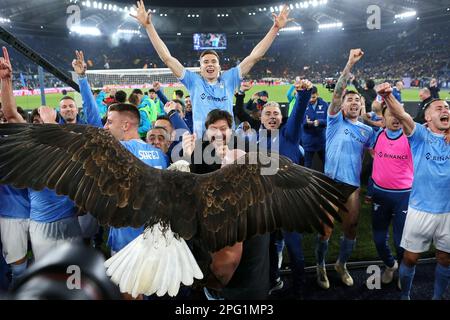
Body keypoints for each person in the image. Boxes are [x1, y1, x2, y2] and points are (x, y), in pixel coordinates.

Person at [131, 0, 292, 137]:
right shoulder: (193, 81)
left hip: (227, 142)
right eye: (205, 61)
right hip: (202, 144)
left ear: (219, 67)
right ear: (200, 68)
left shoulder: (229, 79)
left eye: (213, 61)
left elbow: (254, 57)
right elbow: (167, 58)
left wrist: (275, 28)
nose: (209, 64)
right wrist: (148, 27)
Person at [182, 109, 269, 300]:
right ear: (206, 132)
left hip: (236, 282)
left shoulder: (243, 151)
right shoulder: (197, 152)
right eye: (213, 129)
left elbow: (227, 260)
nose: (219, 133)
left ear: (231, 131)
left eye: (223, 128)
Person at [377, 82, 450, 300]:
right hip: (420, 210)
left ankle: (437, 297)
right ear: (427, 118)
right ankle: (405, 295)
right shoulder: (419, 136)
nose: (445, 110)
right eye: (439, 108)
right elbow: (403, 115)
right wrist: (388, 96)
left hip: (448, 212)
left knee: (445, 259)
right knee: (409, 258)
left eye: (447, 107)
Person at [318, 49, 375, 289]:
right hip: (329, 183)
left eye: (357, 100)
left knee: (351, 228)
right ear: (342, 106)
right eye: (349, 100)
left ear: (362, 107)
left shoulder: (368, 131)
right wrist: (350, 64)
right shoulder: (334, 121)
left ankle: (341, 264)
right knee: (325, 230)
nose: (353, 102)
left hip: (352, 185)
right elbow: (339, 90)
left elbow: (376, 158)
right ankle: (320, 266)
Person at [257, 79, 312, 298]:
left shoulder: (289, 135)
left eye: (276, 113)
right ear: (260, 118)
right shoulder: (255, 141)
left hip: (290, 204)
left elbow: (298, 113)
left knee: (295, 248)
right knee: (268, 248)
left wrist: (303, 94)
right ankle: (273, 280)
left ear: (281, 118)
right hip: (265, 205)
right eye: (267, 113)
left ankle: (299, 287)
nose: (272, 116)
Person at [104, 103, 168, 256]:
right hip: (154, 235)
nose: (105, 126)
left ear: (125, 125)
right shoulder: (160, 155)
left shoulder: (119, 151)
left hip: (127, 238)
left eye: (110, 122)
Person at [369, 106, 413, 285]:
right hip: (380, 194)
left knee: (400, 240)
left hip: (404, 196)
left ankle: (403, 270)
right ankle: (390, 265)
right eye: (391, 115)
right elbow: (369, 149)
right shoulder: (377, 135)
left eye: (398, 115)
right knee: (379, 240)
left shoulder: (412, 138)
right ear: (383, 119)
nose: (395, 119)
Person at [302, 86, 328, 170]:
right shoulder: (302, 104)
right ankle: (306, 183)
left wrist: (320, 122)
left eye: (313, 97)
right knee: (307, 165)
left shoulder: (324, 104)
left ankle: (328, 181)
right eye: (309, 97)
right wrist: (306, 122)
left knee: (326, 163)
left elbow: (329, 121)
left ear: (317, 94)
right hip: (308, 140)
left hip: (321, 140)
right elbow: (298, 120)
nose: (311, 99)